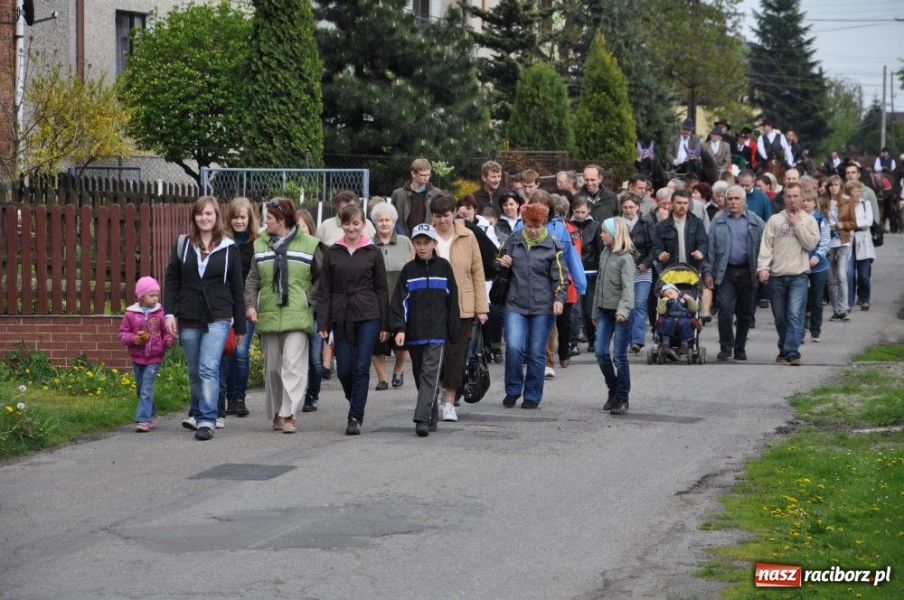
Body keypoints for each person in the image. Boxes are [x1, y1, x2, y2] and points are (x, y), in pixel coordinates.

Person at [164, 196, 246, 441]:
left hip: (219, 314)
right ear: (194, 217)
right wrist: (169, 312)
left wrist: (239, 325)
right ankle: (198, 411)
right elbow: (172, 280)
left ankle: (207, 420)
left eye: (209, 213)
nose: (204, 218)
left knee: (208, 367)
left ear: (216, 217)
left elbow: (236, 288)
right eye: (200, 214)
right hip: (188, 314)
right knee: (194, 371)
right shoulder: (183, 245)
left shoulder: (229, 248)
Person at [244, 198, 323, 434]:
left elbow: (322, 278)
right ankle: (278, 410)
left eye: (268, 218)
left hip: (297, 313)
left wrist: (307, 300)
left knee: (293, 365)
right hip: (268, 313)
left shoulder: (310, 244)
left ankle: (289, 414)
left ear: (281, 220)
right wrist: (250, 305)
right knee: (273, 369)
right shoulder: (259, 245)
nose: (264, 222)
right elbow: (252, 279)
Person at [315, 203, 390, 436]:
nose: (351, 227)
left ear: (363, 225)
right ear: (341, 225)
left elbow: (381, 289)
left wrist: (385, 323)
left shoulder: (373, 252)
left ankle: (355, 415)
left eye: (355, 223)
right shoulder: (332, 252)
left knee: (360, 367)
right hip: (341, 315)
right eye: (346, 223)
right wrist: (323, 323)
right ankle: (354, 398)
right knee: (345, 368)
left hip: (368, 314)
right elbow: (324, 290)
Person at [389, 224, 460, 437]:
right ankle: (431, 413)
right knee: (421, 376)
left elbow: (452, 301)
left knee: (430, 374)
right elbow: (399, 302)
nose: (422, 247)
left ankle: (421, 419)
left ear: (434, 244)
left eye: (426, 243)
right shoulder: (409, 270)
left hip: (438, 333)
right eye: (418, 243)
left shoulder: (444, 267)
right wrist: (400, 328)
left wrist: (453, 330)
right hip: (415, 332)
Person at [496, 203, 567, 409]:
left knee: (536, 352)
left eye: (538, 226)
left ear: (544, 224)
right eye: (529, 226)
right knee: (514, 347)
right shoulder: (513, 241)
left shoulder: (553, 245)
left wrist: (559, 299)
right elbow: (496, 261)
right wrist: (502, 262)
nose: (533, 231)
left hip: (543, 307)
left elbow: (561, 278)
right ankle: (512, 389)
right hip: (515, 303)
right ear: (523, 223)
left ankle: (533, 395)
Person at [430, 193, 488, 421]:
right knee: (434, 355)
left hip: (462, 304)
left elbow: (477, 271)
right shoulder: (425, 235)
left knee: (456, 354)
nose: (442, 221)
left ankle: (449, 402)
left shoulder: (467, 235)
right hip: (432, 304)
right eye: (437, 216)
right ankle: (432, 393)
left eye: (446, 215)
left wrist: (481, 308)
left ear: (453, 212)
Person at [756, 183, 820, 366]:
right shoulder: (775, 220)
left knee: (794, 314)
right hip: (777, 275)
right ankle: (784, 348)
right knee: (780, 317)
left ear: (802, 197)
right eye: (789, 196)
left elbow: (810, 245)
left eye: (796, 196)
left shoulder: (809, 221)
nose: (792, 199)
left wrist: (797, 224)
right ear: (784, 198)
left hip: (798, 275)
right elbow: (766, 246)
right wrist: (763, 268)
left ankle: (792, 353)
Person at [706, 184, 766, 361]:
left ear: (744, 201)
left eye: (736, 199)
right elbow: (710, 251)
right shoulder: (718, 221)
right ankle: (726, 346)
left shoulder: (756, 222)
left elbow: (765, 247)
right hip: (725, 271)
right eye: (729, 199)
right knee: (725, 308)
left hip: (748, 271)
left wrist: (763, 268)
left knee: (745, 312)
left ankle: (740, 347)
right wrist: (708, 272)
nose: (732, 202)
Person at [119, 276, 175, 432]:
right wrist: (133, 339)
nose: (155, 298)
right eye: (152, 295)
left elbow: (165, 331)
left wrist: (168, 340)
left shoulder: (160, 313)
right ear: (141, 297)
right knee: (139, 388)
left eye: (157, 295)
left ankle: (143, 420)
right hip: (137, 357)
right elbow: (123, 333)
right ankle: (150, 413)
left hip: (154, 357)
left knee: (146, 388)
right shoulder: (130, 314)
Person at [220, 197, 259, 419]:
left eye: (243, 217)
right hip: (224, 303)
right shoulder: (223, 241)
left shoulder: (256, 243)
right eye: (235, 217)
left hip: (246, 303)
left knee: (241, 352)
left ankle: (238, 399)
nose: (238, 221)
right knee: (226, 351)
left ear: (249, 219)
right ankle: (225, 398)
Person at [369, 202, 414, 391]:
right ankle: (382, 378)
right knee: (375, 342)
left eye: (388, 220)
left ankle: (398, 370)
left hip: (401, 298)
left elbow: (413, 267)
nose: (384, 223)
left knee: (402, 342)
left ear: (394, 222)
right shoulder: (368, 244)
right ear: (375, 223)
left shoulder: (405, 242)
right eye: (380, 220)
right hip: (375, 300)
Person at [593, 217, 635, 415]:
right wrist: (594, 310)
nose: (601, 235)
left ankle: (622, 397)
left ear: (615, 234)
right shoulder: (604, 253)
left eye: (604, 232)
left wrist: (623, 310)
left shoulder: (625, 258)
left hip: (621, 313)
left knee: (619, 356)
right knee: (601, 352)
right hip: (604, 310)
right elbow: (599, 283)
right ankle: (613, 388)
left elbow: (629, 290)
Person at [295, 208, 325, 412]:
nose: (299, 230)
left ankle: (312, 395)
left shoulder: (315, 248)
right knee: (295, 358)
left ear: (310, 228)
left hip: (313, 310)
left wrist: (308, 298)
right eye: (296, 226)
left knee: (315, 358)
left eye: (303, 226)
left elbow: (322, 278)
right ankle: (294, 395)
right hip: (294, 312)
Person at [620, 193, 654, 354]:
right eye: (625, 207)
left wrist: (646, 263)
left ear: (638, 207)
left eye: (632, 207)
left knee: (640, 303)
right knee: (629, 305)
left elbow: (655, 247)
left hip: (642, 270)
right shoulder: (617, 225)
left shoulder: (646, 224)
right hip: (623, 271)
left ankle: (637, 340)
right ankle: (627, 338)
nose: (628, 210)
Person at [819, 175, 855, 322]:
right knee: (831, 279)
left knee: (841, 275)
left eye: (836, 185)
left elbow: (853, 223)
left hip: (843, 242)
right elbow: (819, 220)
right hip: (828, 243)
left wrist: (843, 225)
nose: (833, 187)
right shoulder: (822, 202)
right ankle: (836, 311)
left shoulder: (847, 201)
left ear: (840, 186)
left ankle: (844, 308)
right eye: (831, 185)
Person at [570, 197, 603, 354]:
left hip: (590, 271)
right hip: (573, 271)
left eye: (583, 212)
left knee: (589, 310)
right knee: (574, 310)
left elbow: (599, 250)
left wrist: (600, 270)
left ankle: (592, 339)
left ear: (588, 211)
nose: (580, 215)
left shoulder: (595, 226)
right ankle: (573, 341)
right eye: (577, 212)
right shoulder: (568, 226)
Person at [651, 190, 708, 274]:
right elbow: (656, 248)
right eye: (679, 203)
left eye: (685, 203)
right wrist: (660, 255)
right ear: (672, 203)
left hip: (692, 270)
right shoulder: (662, 226)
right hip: (670, 271)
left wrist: (700, 252)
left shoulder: (697, 223)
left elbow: (704, 243)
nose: (682, 206)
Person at [801, 190, 829, 342]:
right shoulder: (797, 218)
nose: (805, 203)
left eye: (808, 200)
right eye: (803, 200)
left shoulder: (821, 219)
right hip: (800, 264)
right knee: (801, 298)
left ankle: (815, 330)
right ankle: (800, 328)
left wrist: (818, 256)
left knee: (817, 300)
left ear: (814, 203)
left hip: (818, 265)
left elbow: (825, 241)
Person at [390, 158, 444, 236]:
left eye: (428, 175)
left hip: (429, 238)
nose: (426, 178)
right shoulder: (398, 194)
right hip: (404, 238)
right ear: (413, 174)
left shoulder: (437, 193)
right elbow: (392, 218)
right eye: (422, 175)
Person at [845, 180, 876, 312]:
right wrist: (852, 224)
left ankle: (864, 298)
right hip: (849, 240)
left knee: (863, 275)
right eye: (854, 191)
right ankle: (849, 302)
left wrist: (851, 224)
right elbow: (842, 221)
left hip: (864, 241)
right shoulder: (845, 205)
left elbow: (868, 221)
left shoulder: (865, 203)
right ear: (849, 193)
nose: (857, 194)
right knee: (849, 274)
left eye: (859, 191)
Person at [656, 283, 698, 358]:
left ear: (677, 291)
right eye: (666, 295)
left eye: (670, 293)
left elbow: (694, 309)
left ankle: (684, 344)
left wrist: (689, 299)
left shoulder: (684, 298)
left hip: (684, 317)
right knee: (666, 323)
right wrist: (663, 301)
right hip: (670, 317)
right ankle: (665, 344)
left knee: (684, 323)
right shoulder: (666, 301)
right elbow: (661, 312)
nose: (669, 296)